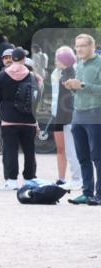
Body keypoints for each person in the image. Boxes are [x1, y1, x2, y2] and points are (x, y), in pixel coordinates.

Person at [0, 47, 38, 188]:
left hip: (9, 119)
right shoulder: (32, 76)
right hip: (29, 119)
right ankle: (29, 179)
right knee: (29, 150)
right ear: (24, 59)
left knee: (10, 149)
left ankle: (11, 180)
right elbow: (37, 96)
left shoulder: (1, 76)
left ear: (12, 59)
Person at [65, 33, 101, 205]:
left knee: (98, 156)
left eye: (83, 46)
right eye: (77, 46)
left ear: (92, 47)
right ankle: (87, 192)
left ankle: (99, 195)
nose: (78, 49)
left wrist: (83, 85)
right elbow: (79, 90)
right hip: (78, 114)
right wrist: (72, 87)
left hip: (96, 113)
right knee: (83, 156)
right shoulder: (78, 65)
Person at [50, 46, 81, 190]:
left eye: (58, 59)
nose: (55, 61)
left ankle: (77, 179)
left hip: (69, 115)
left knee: (73, 149)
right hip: (58, 114)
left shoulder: (73, 72)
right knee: (66, 149)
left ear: (65, 60)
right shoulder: (58, 73)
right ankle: (69, 178)